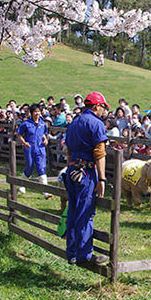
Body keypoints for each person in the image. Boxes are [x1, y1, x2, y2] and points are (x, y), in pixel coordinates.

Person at [63, 91, 110, 266]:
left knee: (74, 210)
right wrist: (102, 179)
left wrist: (69, 169)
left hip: (72, 170)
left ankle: (72, 252)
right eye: (103, 107)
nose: (103, 111)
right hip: (86, 172)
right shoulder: (96, 124)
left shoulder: (74, 123)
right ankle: (85, 254)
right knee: (85, 212)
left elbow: (68, 150)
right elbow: (99, 153)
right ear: (96, 106)